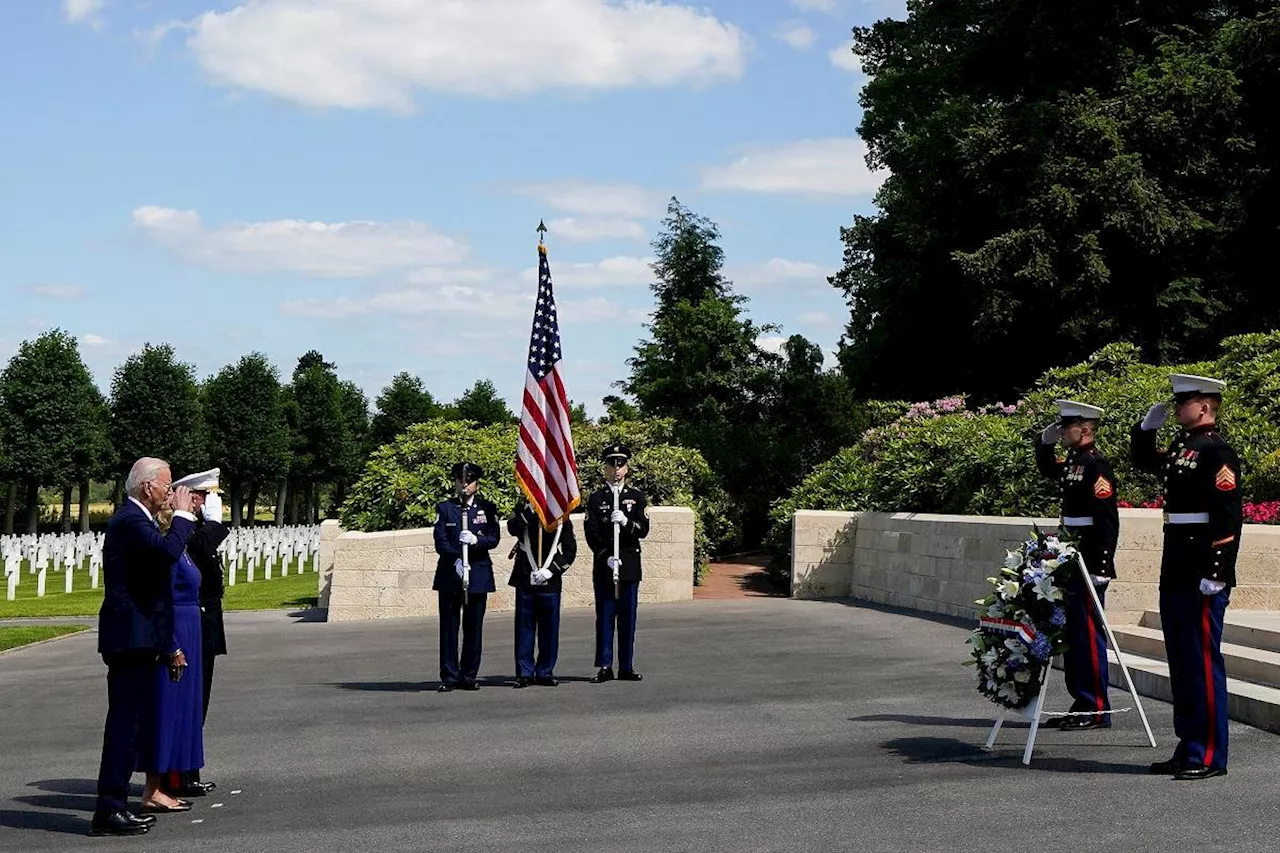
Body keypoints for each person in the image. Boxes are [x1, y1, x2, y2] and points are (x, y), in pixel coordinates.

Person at [1132, 373, 1242, 780]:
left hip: (1201, 567)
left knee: (1202, 660)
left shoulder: (1217, 451)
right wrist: (1145, 431)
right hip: (1177, 562)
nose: (1178, 408)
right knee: (1181, 659)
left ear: (1205, 406)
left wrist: (1217, 573)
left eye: (1184, 402)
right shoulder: (1185, 447)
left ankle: (1210, 753)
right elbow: (1146, 462)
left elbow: (1229, 516)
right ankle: (1189, 745)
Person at [91, 458, 197, 837]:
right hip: (129, 639)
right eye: (167, 486)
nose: (171, 493)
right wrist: (183, 515)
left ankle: (115, 805)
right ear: (147, 488)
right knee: (123, 726)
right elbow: (166, 553)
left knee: (131, 726)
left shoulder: (140, 521)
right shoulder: (130, 521)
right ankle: (109, 808)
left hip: (141, 638)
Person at [1034, 400, 1119, 730]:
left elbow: (1107, 521)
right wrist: (1044, 442)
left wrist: (1101, 564)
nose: (1062, 431)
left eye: (1067, 426)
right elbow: (1046, 469)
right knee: (1074, 633)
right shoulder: (1074, 462)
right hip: (1072, 553)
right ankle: (1082, 699)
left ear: (1085, 429)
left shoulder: (1097, 466)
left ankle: (1096, 706)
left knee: (1087, 633)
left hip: (1090, 558)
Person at [160, 468, 227, 799]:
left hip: (207, 619)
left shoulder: (197, 527)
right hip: (191, 618)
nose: (212, 502)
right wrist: (214, 525)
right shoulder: (183, 527)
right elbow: (199, 551)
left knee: (199, 701)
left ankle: (187, 773)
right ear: (192, 496)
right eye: (206, 496)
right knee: (187, 700)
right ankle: (177, 776)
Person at [584, 443, 650, 684]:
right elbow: (591, 533)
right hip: (605, 566)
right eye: (612, 465)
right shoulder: (596, 498)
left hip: (629, 566)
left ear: (627, 467)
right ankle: (604, 665)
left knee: (627, 619)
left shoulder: (636, 497)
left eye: (620, 464)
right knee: (604, 618)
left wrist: (626, 522)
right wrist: (606, 556)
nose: (616, 470)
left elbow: (643, 530)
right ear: (605, 468)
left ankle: (626, 666)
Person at [432, 462, 500, 691]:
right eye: (461, 481)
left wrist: (476, 541)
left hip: (478, 573)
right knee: (449, 628)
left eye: (469, 481)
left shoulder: (487, 509)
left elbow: (494, 538)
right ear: (455, 482)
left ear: (476, 484)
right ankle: (450, 676)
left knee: (474, 627)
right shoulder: (445, 508)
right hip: (451, 574)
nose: (465, 485)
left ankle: (469, 675)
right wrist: (456, 559)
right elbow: (440, 540)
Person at [506, 501, 576, 687]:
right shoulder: (523, 510)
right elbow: (512, 528)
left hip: (550, 580)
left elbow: (570, 551)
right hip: (525, 577)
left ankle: (545, 671)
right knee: (524, 629)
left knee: (549, 630)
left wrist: (551, 570)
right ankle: (524, 672)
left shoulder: (561, 515)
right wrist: (529, 511)